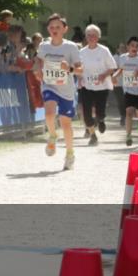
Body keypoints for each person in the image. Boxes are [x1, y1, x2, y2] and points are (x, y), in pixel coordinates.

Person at [34, 14, 83, 170]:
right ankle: (53, 135)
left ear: (65, 29)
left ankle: (69, 154)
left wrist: (68, 68)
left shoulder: (71, 47)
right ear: (48, 29)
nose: (54, 30)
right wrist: (38, 69)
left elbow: (80, 70)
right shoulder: (44, 46)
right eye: (51, 27)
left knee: (66, 123)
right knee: (49, 113)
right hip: (50, 86)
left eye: (58, 27)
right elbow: (38, 60)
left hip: (66, 91)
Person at [78, 24, 116, 146]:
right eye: (89, 35)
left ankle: (100, 120)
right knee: (87, 114)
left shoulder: (104, 50)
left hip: (102, 87)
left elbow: (112, 67)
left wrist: (104, 75)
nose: (91, 37)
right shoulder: (81, 52)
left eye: (94, 35)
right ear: (85, 37)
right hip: (86, 86)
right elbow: (78, 69)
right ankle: (93, 136)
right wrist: (79, 78)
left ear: (98, 37)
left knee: (100, 112)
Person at [114, 37, 138, 146]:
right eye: (132, 46)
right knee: (129, 112)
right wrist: (115, 76)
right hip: (128, 90)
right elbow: (121, 69)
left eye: (136, 46)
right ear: (128, 47)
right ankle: (128, 136)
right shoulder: (123, 58)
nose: (134, 48)